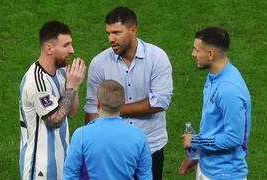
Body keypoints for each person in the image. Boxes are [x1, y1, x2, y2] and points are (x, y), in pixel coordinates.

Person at [84, 6, 173, 180]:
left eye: (117, 32)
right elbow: (91, 112)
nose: (111, 39)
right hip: (111, 150)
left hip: (150, 148)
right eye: (108, 33)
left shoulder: (157, 58)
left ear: (133, 30)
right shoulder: (99, 63)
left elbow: (160, 102)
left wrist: (114, 109)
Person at [179, 27, 251, 180]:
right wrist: (197, 155)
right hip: (208, 167)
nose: (193, 54)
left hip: (225, 175)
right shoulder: (213, 76)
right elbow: (214, 125)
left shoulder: (229, 90)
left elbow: (233, 138)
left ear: (210, 54)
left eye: (196, 50)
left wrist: (196, 141)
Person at [19, 20, 86, 180]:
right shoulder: (36, 81)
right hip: (40, 168)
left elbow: (71, 112)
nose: (72, 50)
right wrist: (71, 87)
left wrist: (73, 86)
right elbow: (54, 120)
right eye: (66, 45)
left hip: (62, 160)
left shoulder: (62, 72)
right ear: (49, 48)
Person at [64, 80, 153, 179]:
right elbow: (145, 176)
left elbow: (70, 175)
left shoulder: (81, 135)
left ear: (98, 103)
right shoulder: (139, 136)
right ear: (123, 103)